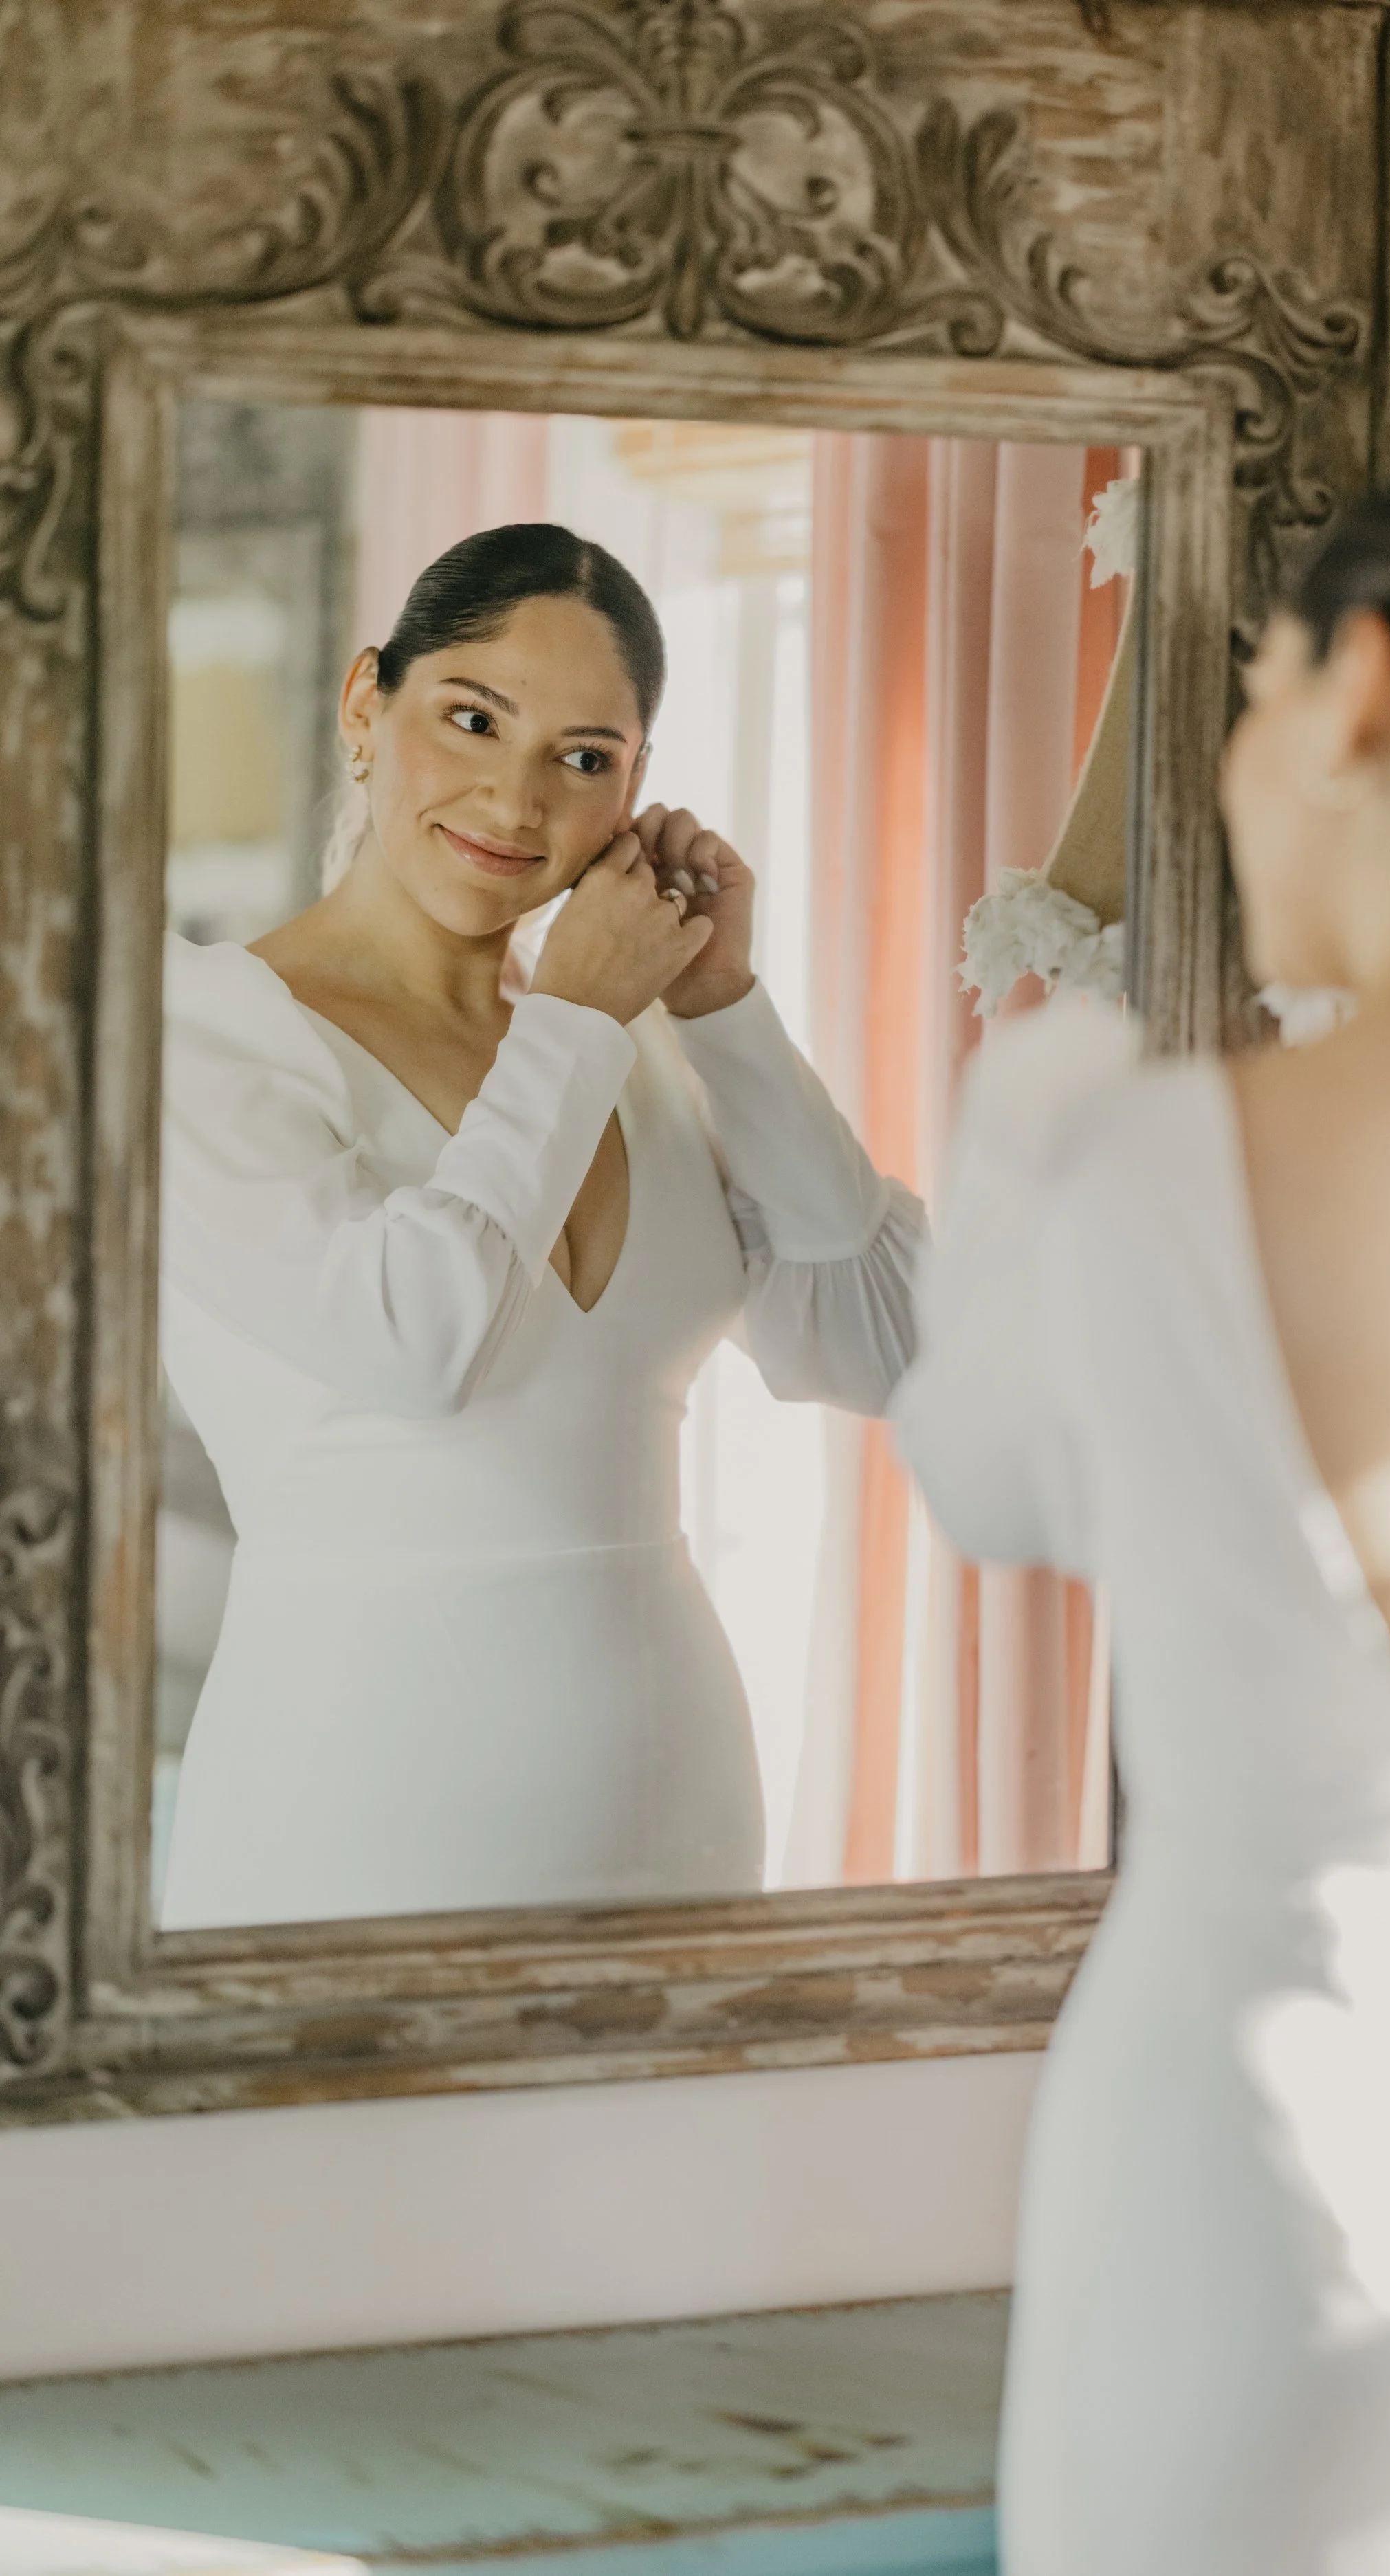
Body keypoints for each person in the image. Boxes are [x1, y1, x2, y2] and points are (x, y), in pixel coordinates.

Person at [892, 452, 1390, 2571]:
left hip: (1265, 2230)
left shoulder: (1134, 1161)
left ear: (1358, 685)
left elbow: (977, 1470)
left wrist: (1031, 1088)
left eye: (1251, 690)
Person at [159, 522, 923, 1929]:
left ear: (631, 793)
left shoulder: (630, 1043)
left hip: (675, 1800)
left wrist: (720, 1009)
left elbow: (882, 1342)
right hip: (346, 1803)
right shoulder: (194, 1036)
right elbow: (412, 1339)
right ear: (363, 704)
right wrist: (570, 1019)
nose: (514, 800)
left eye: (582, 757)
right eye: (471, 718)